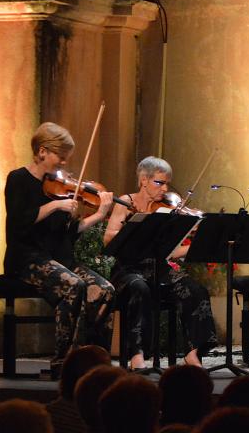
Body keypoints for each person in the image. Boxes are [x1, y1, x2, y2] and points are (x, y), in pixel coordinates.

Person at [4, 122, 115, 373]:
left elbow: (69, 233)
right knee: (73, 285)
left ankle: (95, 360)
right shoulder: (18, 179)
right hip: (27, 260)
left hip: (58, 258)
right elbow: (18, 222)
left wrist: (100, 214)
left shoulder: (58, 189)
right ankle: (65, 364)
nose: (64, 163)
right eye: (60, 157)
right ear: (42, 151)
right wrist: (56, 206)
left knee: (105, 289)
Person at [104, 156, 218, 369]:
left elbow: (171, 252)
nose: (164, 188)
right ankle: (137, 354)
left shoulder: (166, 211)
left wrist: (202, 242)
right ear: (143, 180)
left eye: (167, 183)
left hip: (157, 267)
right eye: (159, 182)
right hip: (128, 269)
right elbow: (109, 239)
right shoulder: (126, 202)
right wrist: (132, 229)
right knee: (139, 288)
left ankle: (193, 353)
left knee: (195, 289)